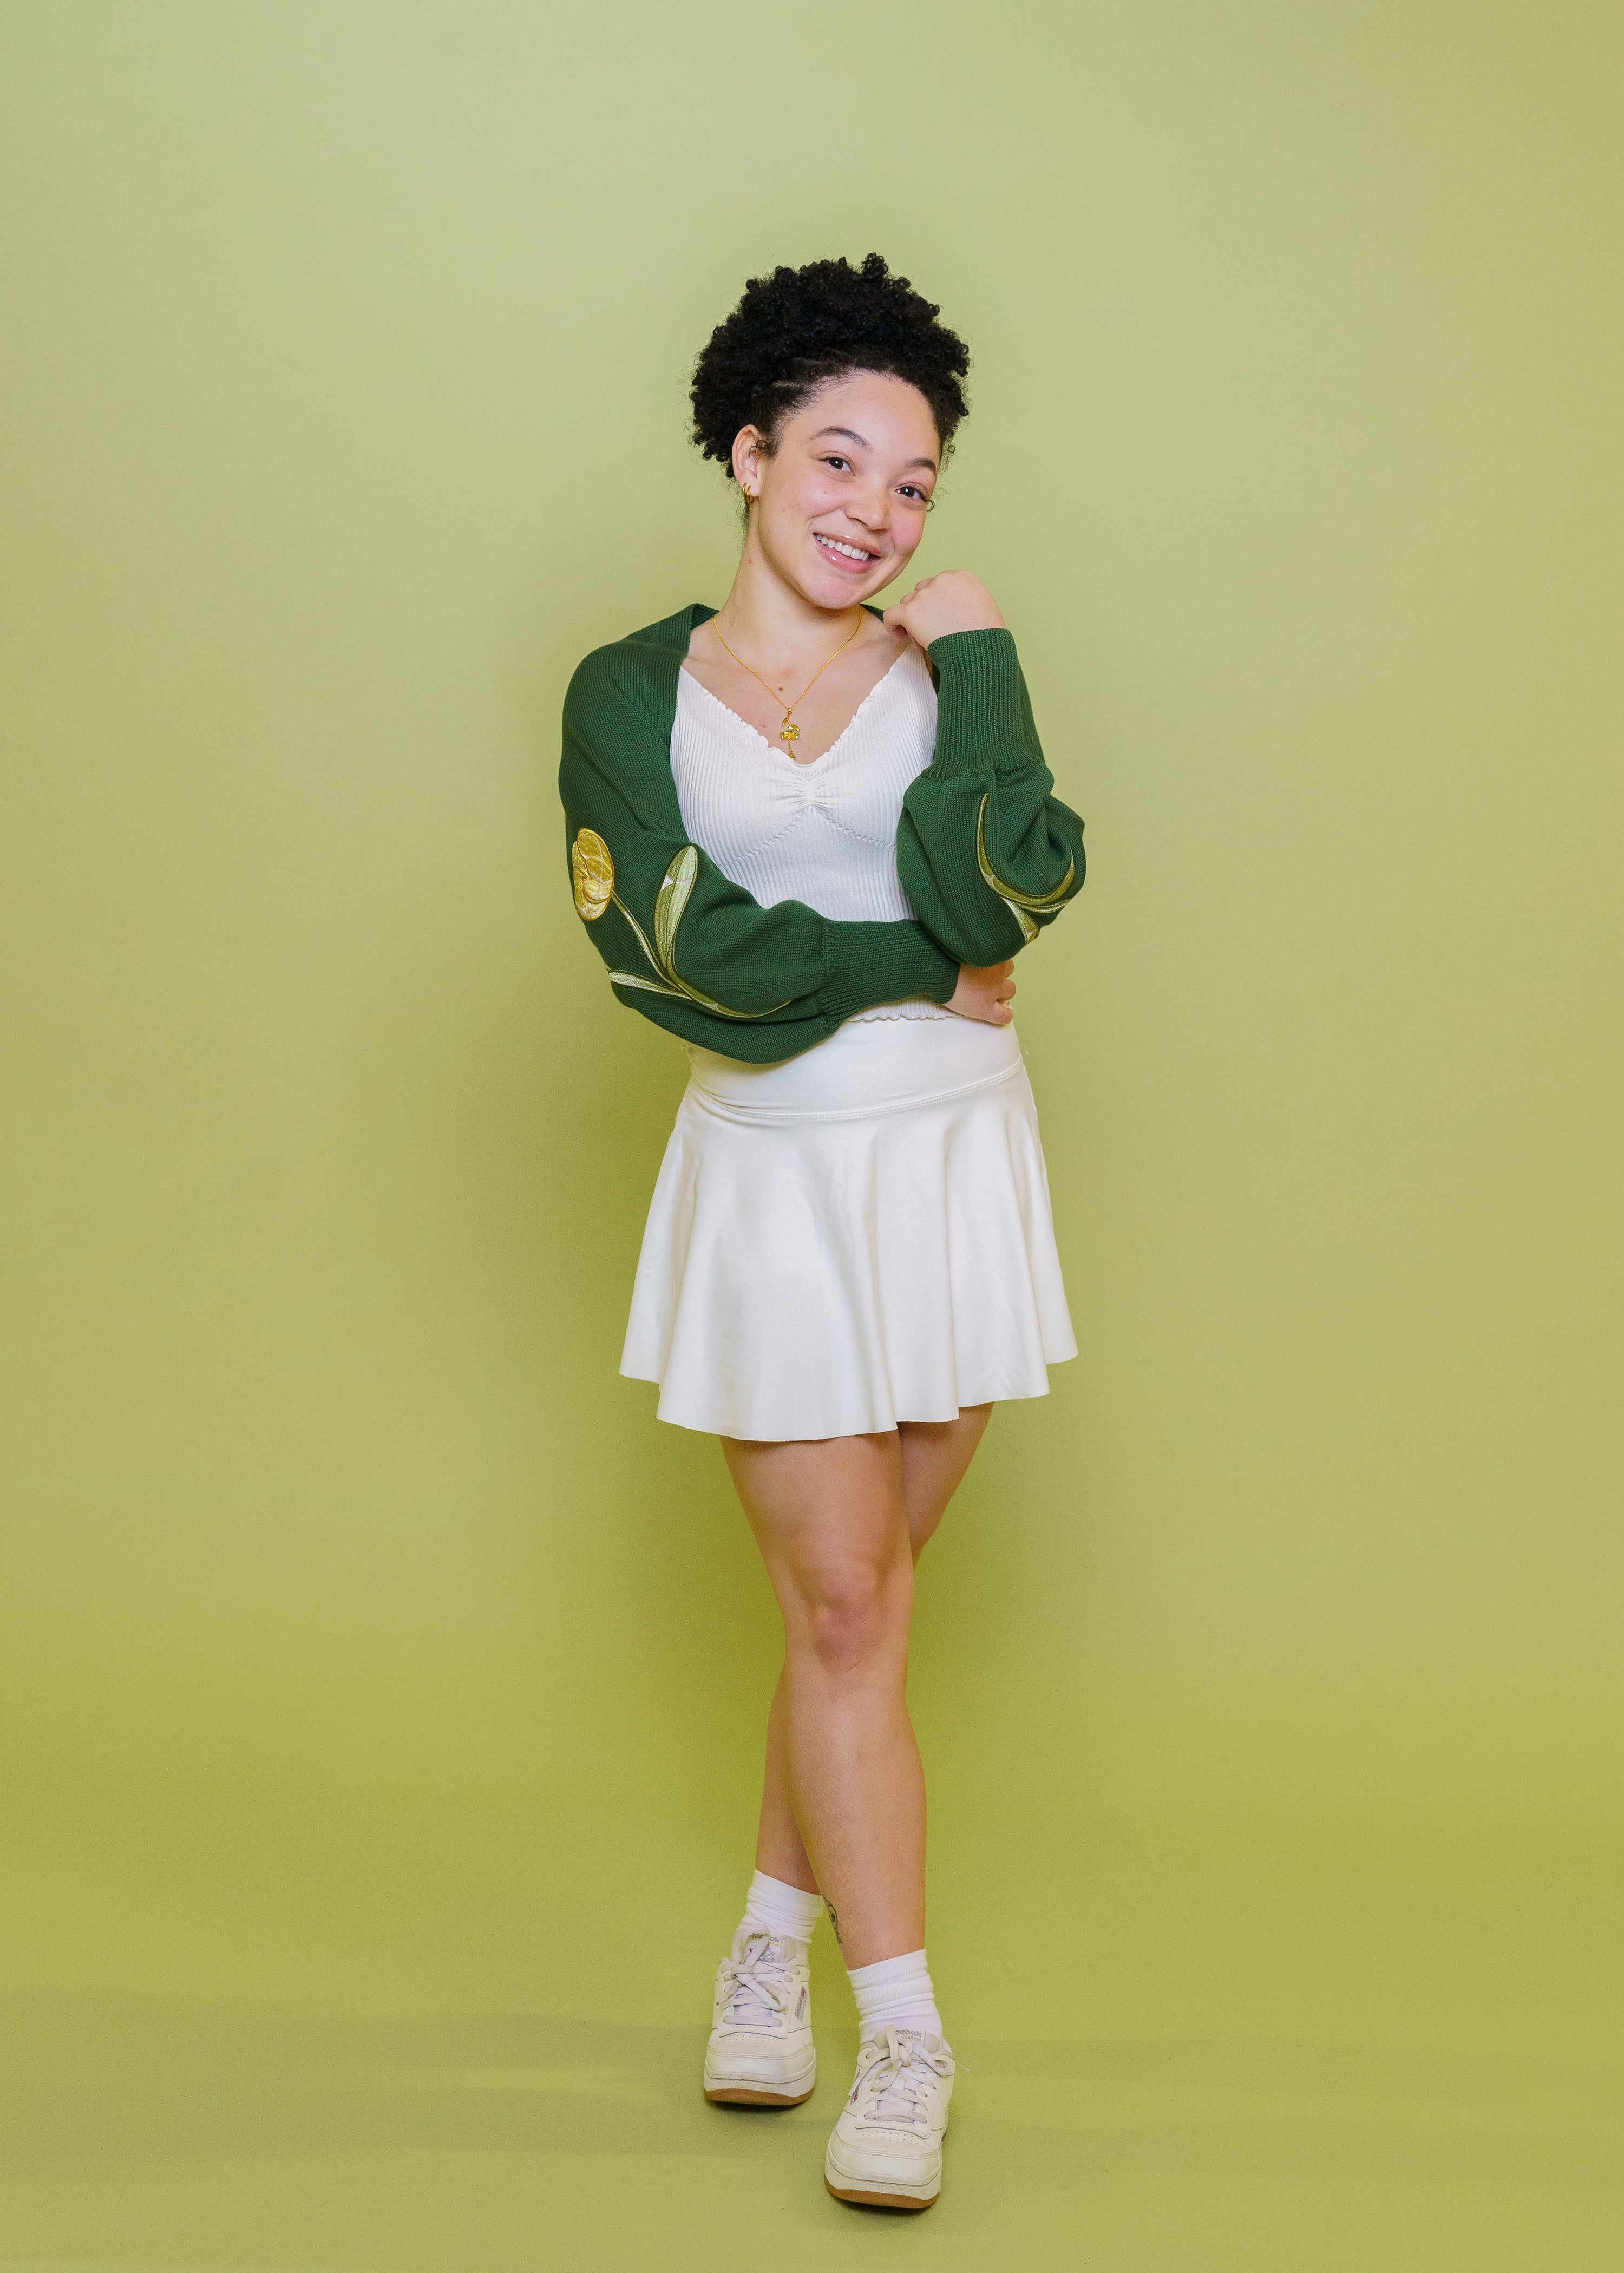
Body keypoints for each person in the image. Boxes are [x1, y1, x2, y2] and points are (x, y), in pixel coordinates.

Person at [559, 253, 1084, 2212]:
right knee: (852, 1612)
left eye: (919, 481)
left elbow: (1013, 889)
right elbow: (676, 953)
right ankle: (909, 2039)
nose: (876, 506)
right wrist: (907, 965)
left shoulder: (949, 676)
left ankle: (767, 1934)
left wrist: (995, 660)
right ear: (746, 451)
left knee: (840, 1616)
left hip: (955, 1176)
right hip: (773, 1180)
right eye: (841, 458)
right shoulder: (629, 690)